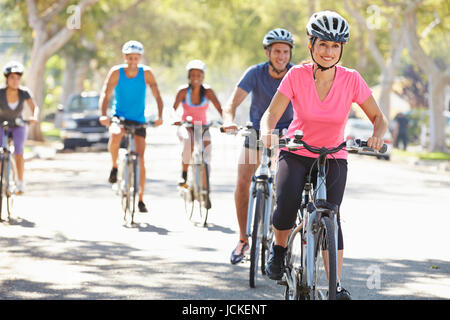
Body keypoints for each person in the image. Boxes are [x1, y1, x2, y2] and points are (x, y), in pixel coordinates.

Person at [260, 11, 388, 299]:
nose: (329, 52)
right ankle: (279, 251)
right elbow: (271, 113)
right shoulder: (296, 75)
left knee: (332, 214)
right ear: (311, 46)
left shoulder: (352, 79)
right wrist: (268, 131)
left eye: (335, 46)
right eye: (323, 45)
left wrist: (377, 135)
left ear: (341, 49)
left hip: (334, 155)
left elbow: (379, 117)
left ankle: (336, 285)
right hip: (296, 151)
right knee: (286, 204)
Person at [222, 28, 295, 265]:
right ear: (267, 52)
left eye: (285, 52)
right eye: (277, 52)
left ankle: (280, 240)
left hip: (287, 134)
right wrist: (228, 120)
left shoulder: (296, 74)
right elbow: (231, 103)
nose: (281, 56)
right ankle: (243, 239)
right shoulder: (255, 73)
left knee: (284, 186)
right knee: (243, 181)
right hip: (256, 132)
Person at [99, 40, 164, 213]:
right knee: (115, 134)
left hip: (138, 119)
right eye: (129, 58)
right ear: (124, 57)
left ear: (140, 58)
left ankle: (140, 199)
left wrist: (160, 116)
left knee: (141, 158)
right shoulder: (116, 72)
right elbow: (105, 94)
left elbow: (157, 96)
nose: (133, 61)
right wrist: (103, 114)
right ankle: (114, 166)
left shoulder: (147, 73)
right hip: (119, 116)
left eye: (136, 58)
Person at [172, 59, 223, 208]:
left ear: (203, 77)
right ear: (188, 76)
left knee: (206, 156)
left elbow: (221, 109)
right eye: (192, 74)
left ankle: (205, 191)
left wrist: (225, 121)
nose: (196, 77)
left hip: (203, 127)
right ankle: (183, 175)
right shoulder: (183, 91)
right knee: (188, 142)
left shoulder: (208, 91)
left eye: (199, 75)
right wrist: (175, 119)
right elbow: (173, 110)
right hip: (186, 125)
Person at [0, 61, 39, 194]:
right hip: (2, 125)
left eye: (18, 78)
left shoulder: (24, 93)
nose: (15, 81)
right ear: (7, 79)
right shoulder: (0, 92)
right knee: (0, 152)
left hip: (19, 125)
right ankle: (2, 180)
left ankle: (20, 182)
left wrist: (34, 117)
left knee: (19, 151)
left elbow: (34, 108)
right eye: (12, 77)